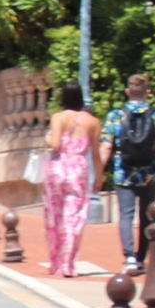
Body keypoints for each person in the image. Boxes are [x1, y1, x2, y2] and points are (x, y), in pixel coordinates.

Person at [96, 72, 155, 273]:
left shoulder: (116, 116)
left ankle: (129, 257)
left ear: (127, 91)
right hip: (150, 173)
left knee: (126, 214)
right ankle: (141, 258)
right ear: (148, 92)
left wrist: (97, 173)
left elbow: (106, 147)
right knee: (147, 215)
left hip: (124, 172)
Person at [40, 82, 99, 278]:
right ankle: (68, 263)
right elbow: (96, 154)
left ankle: (55, 260)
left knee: (54, 215)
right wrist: (99, 176)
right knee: (73, 217)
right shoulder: (93, 122)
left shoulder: (58, 117)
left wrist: (48, 139)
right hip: (78, 170)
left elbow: (55, 144)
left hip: (57, 168)